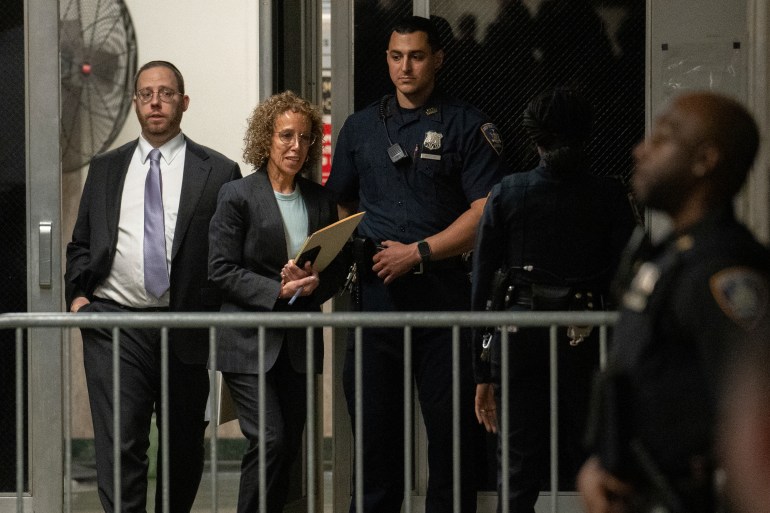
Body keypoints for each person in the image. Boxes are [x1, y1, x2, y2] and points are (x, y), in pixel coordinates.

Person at [326, 15, 509, 513]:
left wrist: (420, 251)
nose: (405, 67)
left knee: (451, 444)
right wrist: (352, 253)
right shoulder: (360, 127)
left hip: (444, 302)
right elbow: (341, 202)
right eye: (395, 56)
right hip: (375, 304)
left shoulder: (467, 124)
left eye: (417, 56)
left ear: (437, 59)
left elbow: (485, 211)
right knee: (375, 443)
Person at [577, 91, 770, 513]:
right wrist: (605, 468)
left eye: (663, 138)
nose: (640, 149)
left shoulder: (722, 272)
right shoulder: (670, 259)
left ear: (704, 161)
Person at [65, 60, 242, 513]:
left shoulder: (219, 172)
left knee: (183, 447)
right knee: (121, 446)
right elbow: (82, 242)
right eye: (146, 94)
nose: (156, 102)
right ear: (135, 103)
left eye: (165, 93)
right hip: (115, 324)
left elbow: (232, 251)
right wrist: (79, 299)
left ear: (184, 102)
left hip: (184, 325)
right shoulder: (105, 168)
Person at [471, 88, 636, 513]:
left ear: (534, 138)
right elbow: (627, 280)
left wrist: (481, 369)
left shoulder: (507, 193)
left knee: (518, 465)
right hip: (587, 337)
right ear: (587, 136)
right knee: (593, 457)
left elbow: (482, 283)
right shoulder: (610, 196)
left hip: (517, 335)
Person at [207, 91, 348, 513]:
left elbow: (335, 271)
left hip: (298, 344)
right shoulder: (237, 195)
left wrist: (312, 282)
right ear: (265, 138)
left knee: (287, 450)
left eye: (305, 138)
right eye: (286, 135)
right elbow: (220, 270)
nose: (295, 146)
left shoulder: (320, 199)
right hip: (247, 342)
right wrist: (276, 290)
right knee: (270, 439)